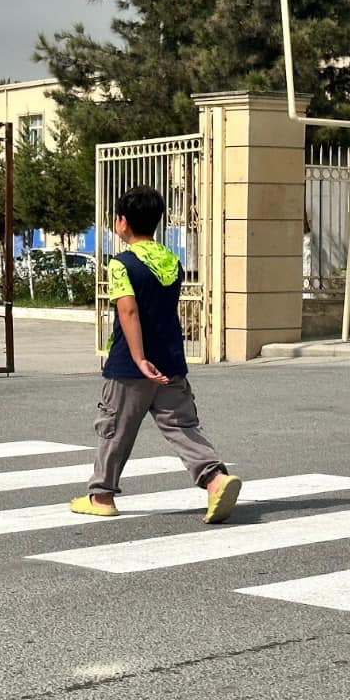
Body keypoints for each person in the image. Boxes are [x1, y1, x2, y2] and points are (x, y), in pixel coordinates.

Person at [70, 185, 241, 523]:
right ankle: (215, 479)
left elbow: (128, 313)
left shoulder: (121, 264)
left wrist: (137, 357)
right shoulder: (172, 261)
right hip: (171, 359)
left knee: (115, 427)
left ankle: (102, 495)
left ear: (122, 223)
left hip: (131, 365)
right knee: (181, 426)